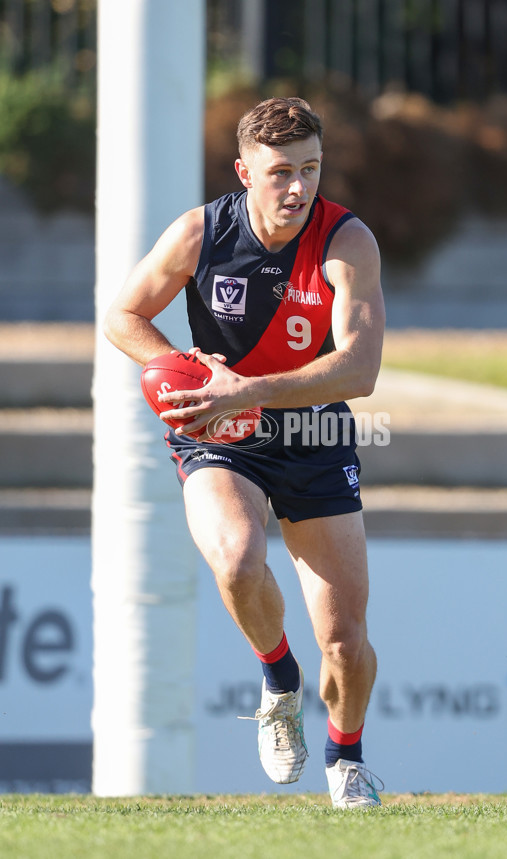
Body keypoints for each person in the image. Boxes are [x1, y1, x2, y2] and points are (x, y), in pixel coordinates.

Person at [104, 97, 385, 808]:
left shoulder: (347, 242)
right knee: (235, 558)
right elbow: (123, 314)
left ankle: (346, 759)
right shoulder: (202, 231)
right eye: (282, 172)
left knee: (346, 642)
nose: (299, 188)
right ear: (244, 172)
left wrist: (246, 389)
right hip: (218, 436)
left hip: (313, 435)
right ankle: (278, 677)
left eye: (312, 169)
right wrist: (185, 370)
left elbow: (360, 369)